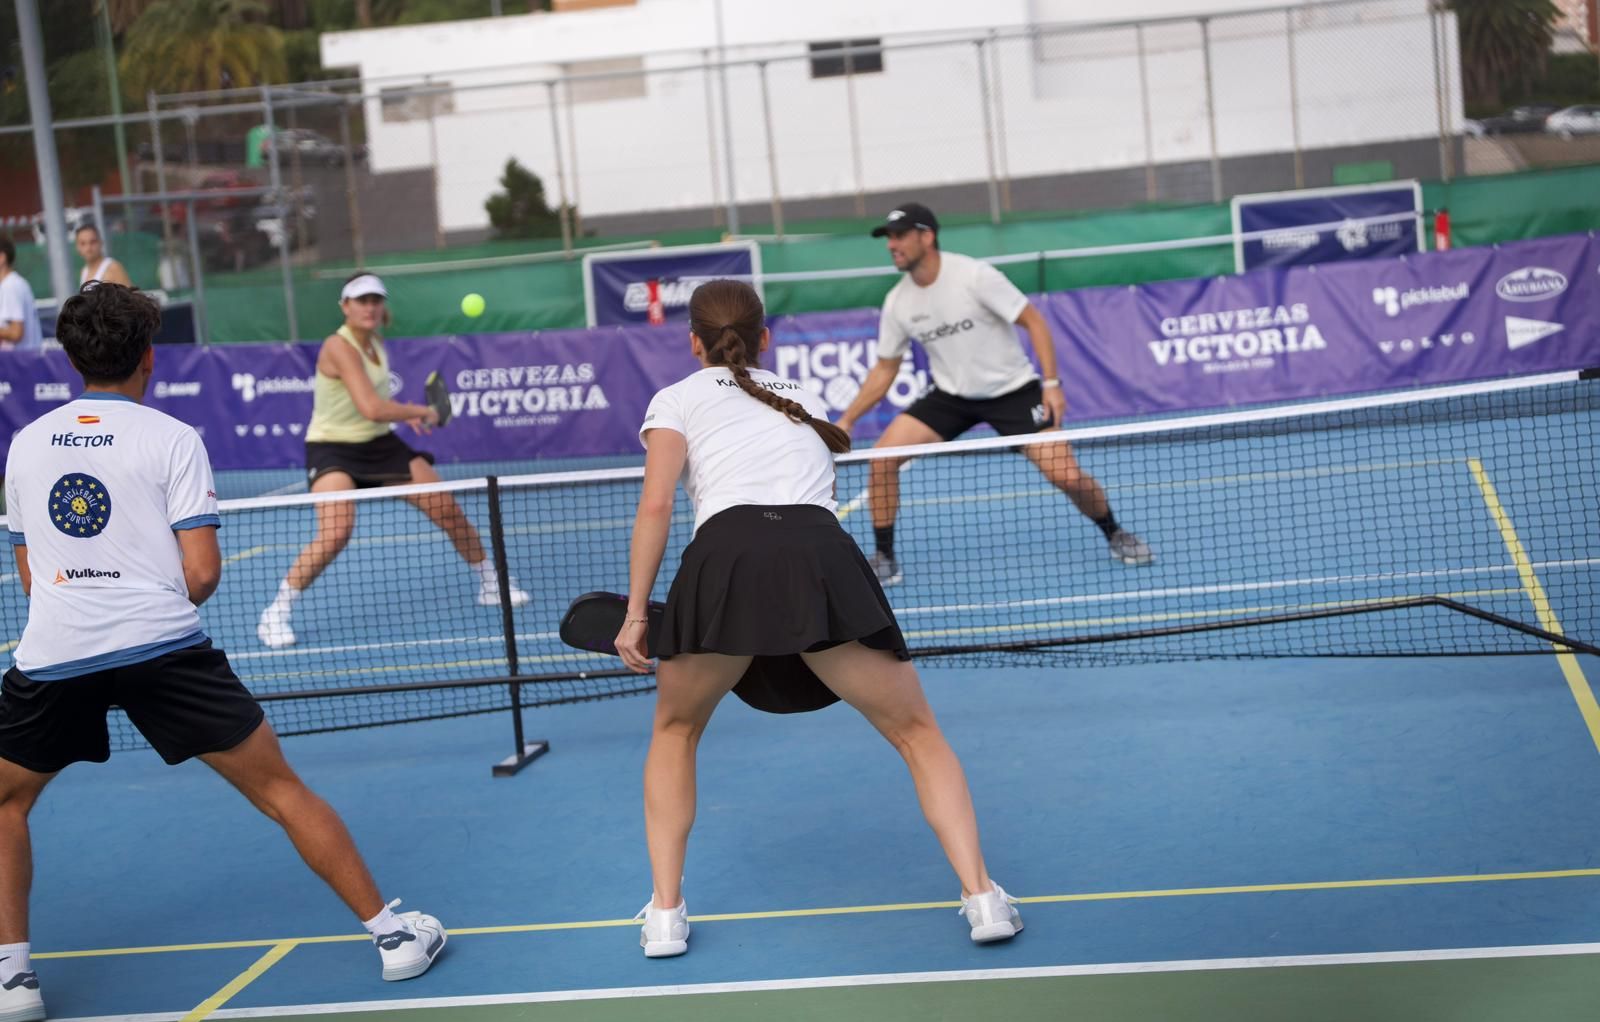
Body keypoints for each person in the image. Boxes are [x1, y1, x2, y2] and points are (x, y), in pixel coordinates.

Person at [0, 282, 445, 1022]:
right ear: (149, 358)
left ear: (69, 359)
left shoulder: (26, 443)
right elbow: (202, 574)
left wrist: (86, 603)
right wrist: (145, 609)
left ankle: (13, 980)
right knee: (280, 790)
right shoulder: (172, 438)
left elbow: (30, 572)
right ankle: (394, 937)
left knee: (7, 802)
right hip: (165, 649)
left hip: (55, 652)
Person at [617, 279, 1022, 959]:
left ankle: (664, 915)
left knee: (676, 730)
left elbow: (656, 507)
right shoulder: (800, 398)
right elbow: (820, 493)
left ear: (693, 343)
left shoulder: (675, 399)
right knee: (918, 734)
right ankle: (982, 898)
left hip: (723, 562)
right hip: (821, 555)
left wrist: (635, 614)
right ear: (764, 339)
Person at [836, 203, 1154, 584]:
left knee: (1067, 476)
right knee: (883, 458)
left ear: (927, 236)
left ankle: (1114, 531)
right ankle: (884, 557)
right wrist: (847, 420)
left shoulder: (974, 276)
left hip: (1013, 392)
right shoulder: (898, 302)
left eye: (900, 235)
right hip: (950, 396)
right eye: (888, 238)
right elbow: (885, 368)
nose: (891, 245)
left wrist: (1051, 384)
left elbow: (1033, 320)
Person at [256, 272, 528, 649]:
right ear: (345, 306)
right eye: (361, 301)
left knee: (446, 508)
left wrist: (406, 415)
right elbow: (370, 406)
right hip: (332, 448)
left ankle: (490, 582)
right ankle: (276, 613)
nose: (369, 307)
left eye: (375, 300)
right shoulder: (339, 346)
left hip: (378, 444)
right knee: (336, 532)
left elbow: (375, 408)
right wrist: (423, 411)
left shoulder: (377, 344)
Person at [0, 239, 41, 352]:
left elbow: (16, 333)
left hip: (21, 364)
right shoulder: (11, 284)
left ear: (2, 257)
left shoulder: (10, 286)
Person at [74, 223, 132, 288]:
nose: (88, 248)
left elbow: (128, 296)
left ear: (101, 242)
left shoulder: (113, 268)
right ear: (77, 247)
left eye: (93, 242)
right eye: (83, 243)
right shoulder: (84, 271)